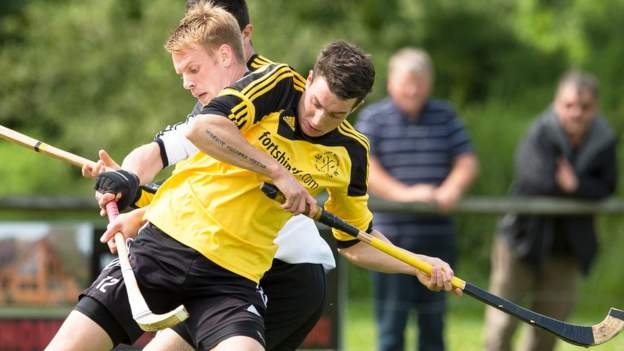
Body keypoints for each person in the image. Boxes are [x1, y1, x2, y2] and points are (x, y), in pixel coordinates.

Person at [46, 4, 458, 351]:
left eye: (337, 114)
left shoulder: (352, 153)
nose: (318, 119)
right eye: (315, 104)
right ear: (309, 79)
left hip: (233, 278)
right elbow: (200, 129)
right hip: (164, 248)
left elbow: (357, 241)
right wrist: (280, 174)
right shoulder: (274, 84)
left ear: (358, 106)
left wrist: (414, 263)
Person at [82, 1, 335, 350]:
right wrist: (127, 179)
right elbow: (171, 164)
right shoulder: (212, 103)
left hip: (282, 271)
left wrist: (141, 212)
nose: (188, 81)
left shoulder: (268, 90)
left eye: (195, 65)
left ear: (234, 43)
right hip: (216, 259)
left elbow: (235, 196)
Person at [483, 70, 617, 351]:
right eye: (569, 106)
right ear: (557, 104)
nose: (576, 113)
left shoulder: (604, 139)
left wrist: (574, 185)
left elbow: (607, 186)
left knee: (549, 330)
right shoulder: (539, 132)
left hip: (567, 249)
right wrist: (580, 189)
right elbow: (534, 180)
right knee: (501, 325)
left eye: (584, 107)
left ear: (596, 108)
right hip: (521, 242)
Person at [355, 47, 478, 351]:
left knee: (433, 327)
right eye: (406, 81)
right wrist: (406, 195)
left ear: (430, 84)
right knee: (391, 330)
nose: (412, 89)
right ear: (391, 83)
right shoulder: (374, 117)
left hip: (438, 236)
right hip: (391, 241)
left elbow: (467, 161)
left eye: (419, 81)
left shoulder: (445, 115)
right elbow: (364, 166)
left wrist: (451, 189)